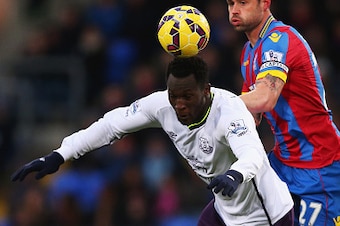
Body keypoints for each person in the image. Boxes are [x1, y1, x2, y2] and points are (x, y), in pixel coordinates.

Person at [11, 56, 294, 225]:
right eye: (175, 97)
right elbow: (110, 125)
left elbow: (253, 155)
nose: (179, 105)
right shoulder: (162, 106)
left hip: (266, 214)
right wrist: (60, 154)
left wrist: (234, 174)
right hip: (224, 211)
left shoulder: (230, 111)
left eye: (188, 97)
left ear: (206, 91)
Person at [226, 0, 340, 225]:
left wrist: (210, 102)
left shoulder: (280, 39)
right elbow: (249, 112)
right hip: (282, 163)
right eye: (230, 3)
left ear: (265, 3)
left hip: (319, 165)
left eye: (243, 2)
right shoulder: (248, 52)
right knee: (226, 209)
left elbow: (265, 99)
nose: (234, 10)